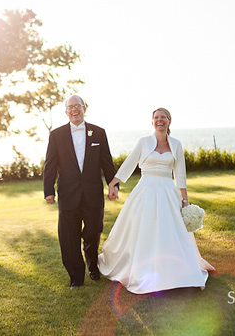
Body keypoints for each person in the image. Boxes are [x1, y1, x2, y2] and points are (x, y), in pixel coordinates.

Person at [98, 107, 215, 294]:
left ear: (169, 121)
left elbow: (180, 175)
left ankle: (174, 271)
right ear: (152, 122)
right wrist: (113, 183)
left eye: (163, 117)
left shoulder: (176, 144)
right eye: (156, 117)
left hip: (168, 192)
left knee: (168, 230)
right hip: (145, 191)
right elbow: (129, 163)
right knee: (143, 229)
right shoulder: (143, 142)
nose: (160, 120)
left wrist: (185, 202)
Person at [43, 95, 119, 289]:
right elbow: (50, 165)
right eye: (70, 107)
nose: (74, 110)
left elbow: (107, 162)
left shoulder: (99, 132)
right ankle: (76, 277)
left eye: (78, 106)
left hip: (93, 194)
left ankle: (93, 266)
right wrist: (48, 190)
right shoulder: (56, 135)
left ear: (85, 108)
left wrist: (113, 185)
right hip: (68, 195)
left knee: (93, 233)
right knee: (69, 237)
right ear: (66, 111)